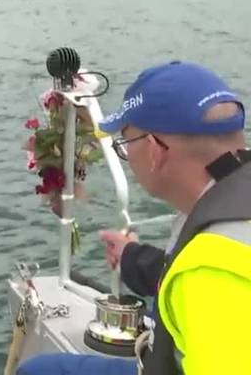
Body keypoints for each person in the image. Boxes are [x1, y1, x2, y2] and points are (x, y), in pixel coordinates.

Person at [18, 61, 251, 375]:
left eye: (125, 145)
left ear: (154, 150)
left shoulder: (210, 273)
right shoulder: (226, 217)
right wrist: (132, 258)